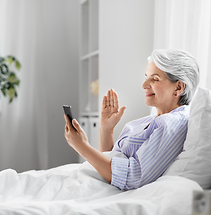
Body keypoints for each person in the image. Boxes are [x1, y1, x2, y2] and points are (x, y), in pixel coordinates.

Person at [64, 49, 199, 191]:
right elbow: (109, 168)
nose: (144, 85)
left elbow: (132, 177)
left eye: (154, 79)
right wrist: (106, 129)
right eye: (146, 77)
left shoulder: (173, 123)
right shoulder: (148, 121)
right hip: (89, 180)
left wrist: (82, 146)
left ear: (178, 87)